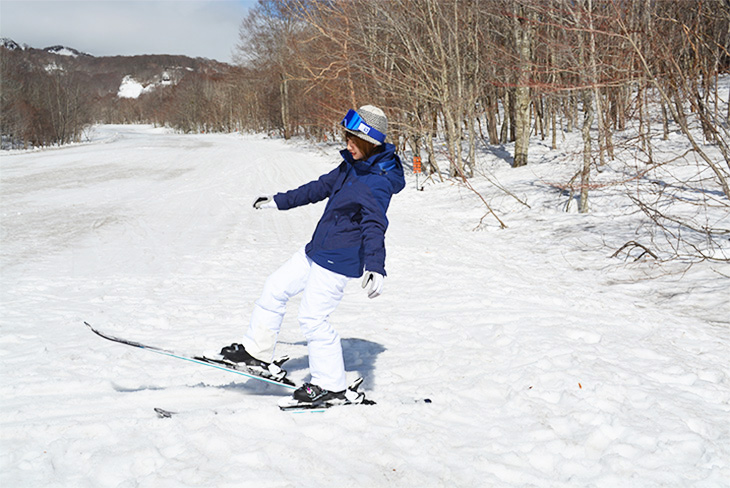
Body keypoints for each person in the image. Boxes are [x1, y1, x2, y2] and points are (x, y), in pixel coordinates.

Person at [221, 105, 405, 405]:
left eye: (354, 141)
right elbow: (319, 188)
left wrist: (375, 265)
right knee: (275, 287)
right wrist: (279, 201)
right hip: (317, 249)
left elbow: (375, 224)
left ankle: (331, 385)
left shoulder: (378, 181)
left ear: (370, 142)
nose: (347, 145)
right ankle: (256, 352)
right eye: (348, 138)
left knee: (313, 319)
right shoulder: (352, 166)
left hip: (339, 260)